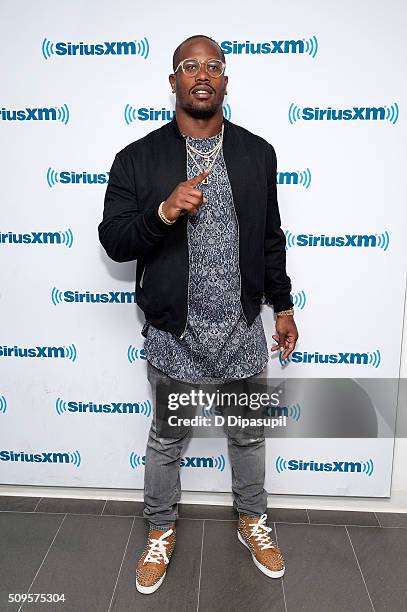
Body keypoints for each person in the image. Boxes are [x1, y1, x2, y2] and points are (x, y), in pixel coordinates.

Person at [98, 34, 299, 595]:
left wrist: (282, 306)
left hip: (240, 328)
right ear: (173, 82)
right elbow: (114, 240)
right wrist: (162, 212)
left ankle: (252, 519)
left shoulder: (258, 153)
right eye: (190, 66)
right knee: (167, 439)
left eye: (213, 65)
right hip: (174, 332)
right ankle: (160, 530)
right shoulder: (137, 158)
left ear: (225, 82)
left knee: (248, 436)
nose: (202, 74)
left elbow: (269, 238)